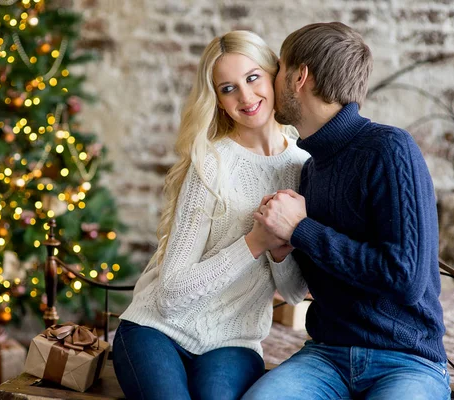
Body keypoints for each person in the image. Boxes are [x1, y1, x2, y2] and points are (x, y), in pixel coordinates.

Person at [242, 22, 450, 400]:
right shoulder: (311, 169)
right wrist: (282, 246)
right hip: (326, 357)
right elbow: (315, 278)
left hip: (407, 360)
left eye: (279, 70)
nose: (269, 85)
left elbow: (406, 279)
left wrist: (302, 229)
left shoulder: (390, 149)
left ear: (299, 76)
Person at [112, 30, 309, 400]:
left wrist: (279, 250)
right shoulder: (211, 163)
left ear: (273, 76)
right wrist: (255, 242)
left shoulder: (304, 168)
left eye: (252, 78)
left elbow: (295, 292)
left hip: (234, 343)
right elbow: (170, 295)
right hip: (156, 329)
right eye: (228, 88)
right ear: (217, 101)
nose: (246, 97)